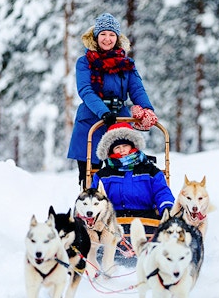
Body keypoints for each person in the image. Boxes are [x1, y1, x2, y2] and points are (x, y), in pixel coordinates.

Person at [67, 13, 159, 188]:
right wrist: (104, 112)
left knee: (122, 168)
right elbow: (85, 90)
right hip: (91, 120)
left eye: (111, 34)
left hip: (119, 119)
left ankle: (124, 207)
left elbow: (137, 89)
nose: (107, 39)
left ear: (117, 38)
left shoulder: (126, 63)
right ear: (96, 36)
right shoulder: (85, 62)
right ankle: (89, 207)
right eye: (103, 34)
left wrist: (147, 109)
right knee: (89, 175)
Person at [91, 122, 174, 219]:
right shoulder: (103, 175)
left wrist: (167, 208)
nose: (122, 150)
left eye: (125, 146)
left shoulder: (150, 170)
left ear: (132, 146)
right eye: (117, 147)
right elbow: (94, 197)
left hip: (146, 218)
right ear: (111, 150)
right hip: (112, 220)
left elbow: (161, 192)